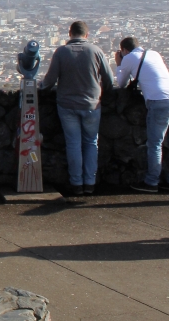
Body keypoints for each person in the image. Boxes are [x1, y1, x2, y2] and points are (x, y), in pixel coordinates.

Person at [39, 21, 115, 195]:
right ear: (86, 35)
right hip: (91, 104)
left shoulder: (62, 52)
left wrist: (40, 86)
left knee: (73, 143)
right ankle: (90, 182)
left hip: (67, 104)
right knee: (91, 142)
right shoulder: (96, 51)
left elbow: (49, 80)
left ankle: (76, 184)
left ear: (70, 33)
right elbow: (109, 79)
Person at [116, 37, 169, 193]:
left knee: (155, 144)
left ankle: (152, 182)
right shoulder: (154, 53)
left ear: (124, 50)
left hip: (159, 101)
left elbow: (121, 83)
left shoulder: (128, 57)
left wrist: (119, 63)